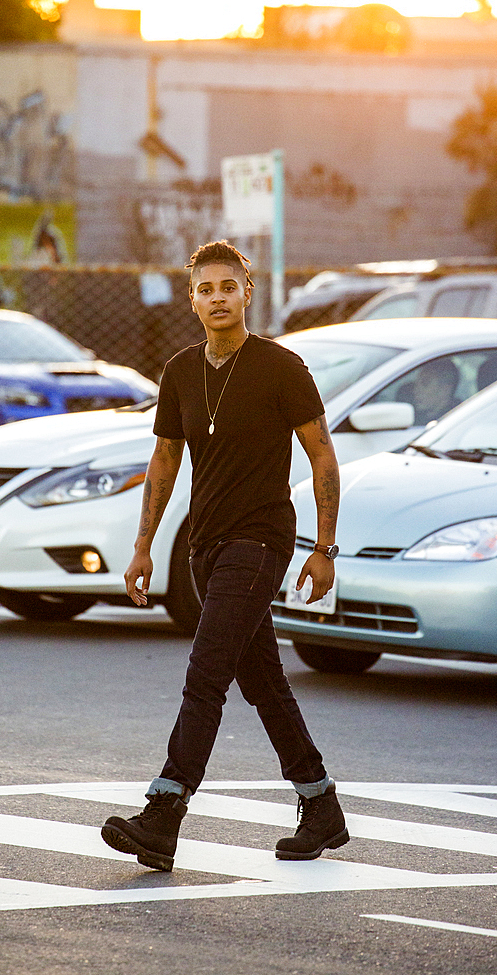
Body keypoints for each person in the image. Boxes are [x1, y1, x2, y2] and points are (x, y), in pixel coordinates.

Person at [101, 241, 348, 872]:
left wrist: (323, 548)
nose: (218, 298)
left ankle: (163, 814)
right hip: (204, 548)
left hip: (260, 541)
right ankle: (320, 804)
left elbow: (322, 455)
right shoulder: (182, 370)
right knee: (263, 683)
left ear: (248, 292)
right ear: (192, 299)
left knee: (205, 675)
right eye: (205, 289)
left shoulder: (281, 366)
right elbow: (164, 460)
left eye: (228, 287)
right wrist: (142, 548)